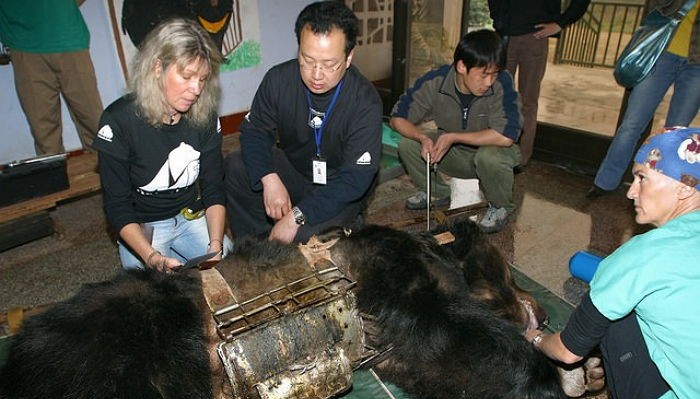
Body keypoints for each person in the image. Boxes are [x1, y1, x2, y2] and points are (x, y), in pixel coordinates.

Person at [526, 127, 700, 399]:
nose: (631, 191)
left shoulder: (641, 255)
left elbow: (567, 350)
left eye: (642, 178)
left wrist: (535, 339)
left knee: (613, 322)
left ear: (683, 187)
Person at [224, 1, 383, 245]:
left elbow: (355, 178)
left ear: (349, 57)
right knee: (237, 167)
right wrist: (269, 178)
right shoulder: (278, 80)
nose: (317, 74)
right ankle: (254, 249)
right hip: (296, 171)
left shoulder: (365, 101)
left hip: (338, 187)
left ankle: (343, 226)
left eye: (330, 64)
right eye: (307, 59)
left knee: (307, 240)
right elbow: (254, 131)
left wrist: (296, 217)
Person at [93, 18, 230, 273]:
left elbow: (214, 186)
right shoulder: (119, 121)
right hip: (144, 224)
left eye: (202, 79)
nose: (196, 89)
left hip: (191, 215)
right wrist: (151, 256)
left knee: (232, 271)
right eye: (187, 76)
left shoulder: (205, 115)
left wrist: (215, 245)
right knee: (152, 295)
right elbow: (117, 206)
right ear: (157, 67)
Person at [389, 29, 522, 234]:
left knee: (491, 157)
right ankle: (436, 192)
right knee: (408, 144)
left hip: (490, 154)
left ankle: (500, 206)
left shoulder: (502, 82)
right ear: (462, 66)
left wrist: (453, 137)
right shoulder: (436, 81)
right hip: (453, 155)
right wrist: (422, 137)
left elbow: (506, 136)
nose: (489, 82)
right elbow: (398, 118)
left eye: (493, 74)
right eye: (483, 75)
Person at [588, 0, 700, 198]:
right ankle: (605, 183)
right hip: (661, 52)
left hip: (697, 64)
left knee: (676, 133)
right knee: (631, 124)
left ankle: (656, 191)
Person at [488, 0, 591, 167]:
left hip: (535, 37)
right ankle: (492, 153)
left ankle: (520, 160)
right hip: (504, 36)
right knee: (497, 98)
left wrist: (560, 23)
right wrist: (498, 17)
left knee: (527, 102)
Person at [0, 0, 103, 156]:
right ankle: (55, 178)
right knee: (44, 133)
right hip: (22, 43)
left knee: (93, 121)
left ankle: (112, 176)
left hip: (67, 36)